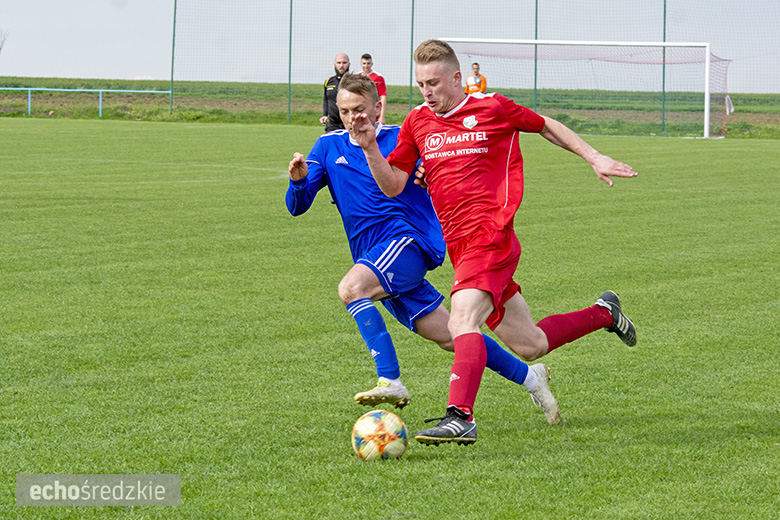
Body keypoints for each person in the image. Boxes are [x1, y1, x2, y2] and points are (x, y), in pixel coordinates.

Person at [350, 39, 638, 446]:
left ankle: (460, 415)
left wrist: (594, 156)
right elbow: (394, 184)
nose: (426, 92)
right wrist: (367, 149)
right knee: (531, 344)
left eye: (433, 82)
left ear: (456, 78)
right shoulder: (418, 122)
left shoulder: (492, 108)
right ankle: (604, 313)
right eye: (420, 85)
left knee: (461, 318)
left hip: (492, 235)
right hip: (460, 247)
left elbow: (545, 125)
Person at [286, 72, 560, 425]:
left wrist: (430, 176)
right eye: (344, 110)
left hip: (409, 242)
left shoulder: (404, 137)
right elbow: (298, 205)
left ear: (377, 107)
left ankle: (390, 380)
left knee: (352, 288)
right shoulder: (327, 147)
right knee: (454, 337)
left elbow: (440, 172)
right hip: (376, 258)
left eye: (359, 109)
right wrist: (297, 182)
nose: (353, 117)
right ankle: (531, 377)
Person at [320, 53, 350, 132]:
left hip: (350, 123)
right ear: (334, 64)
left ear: (349, 64)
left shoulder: (354, 82)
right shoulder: (328, 82)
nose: (341, 65)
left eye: (344, 63)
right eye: (339, 63)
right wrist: (324, 115)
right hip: (333, 124)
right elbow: (326, 99)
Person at [357, 53, 387, 124]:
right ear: (361, 64)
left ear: (372, 64)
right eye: (364, 63)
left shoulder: (378, 77)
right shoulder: (356, 77)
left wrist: (382, 116)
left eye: (368, 63)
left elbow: (383, 97)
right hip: (359, 110)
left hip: (372, 111)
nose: (366, 66)